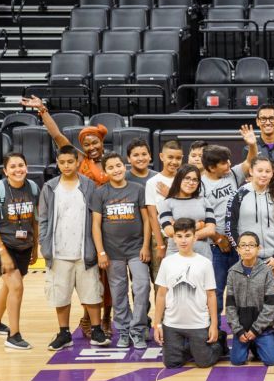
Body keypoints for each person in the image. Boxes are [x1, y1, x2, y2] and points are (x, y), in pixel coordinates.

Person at [39, 145, 107, 349]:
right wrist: (44, 243)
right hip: (58, 252)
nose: (66, 166)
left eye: (70, 161)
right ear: (57, 163)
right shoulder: (50, 187)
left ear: (78, 162)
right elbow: (42, 219)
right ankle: (64, 332)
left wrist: (97, 248)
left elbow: (96, 217)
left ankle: (96, 329)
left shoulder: (88, 185)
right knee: (60, 294)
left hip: (84, 251)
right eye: (62, 162)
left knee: (92, 292)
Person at [91, 152, 152, 350]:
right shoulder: (100, 193)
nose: (116, 170)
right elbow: (96, 225)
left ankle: (138, 329)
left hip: (136, 250)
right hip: (112, 252)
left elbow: (146, 220)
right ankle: (124, 331)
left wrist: (145, 246)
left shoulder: (137, 189)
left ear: (124, 166)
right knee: (118, 292)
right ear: (105, 171)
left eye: (118, 165)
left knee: (142, 287)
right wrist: (101, 252)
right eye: (110, 167)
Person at [0, 152, 39, 350]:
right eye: (13, 167)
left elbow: (34, 220)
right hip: (1, 246)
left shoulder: (33, 188)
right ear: (5, 171)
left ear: (27, 167)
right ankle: (13, 335)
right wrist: (2, 253)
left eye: (21, 165)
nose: (18, 169)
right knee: (16, 287)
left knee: (9, 286)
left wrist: (35, 246)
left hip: (24, 246)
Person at [201, 129, 259, 321]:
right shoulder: (201, 185)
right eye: (223, 162)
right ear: (210, 167)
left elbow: (250, 162)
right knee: (216, 290)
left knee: (242, 289)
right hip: (216, 246)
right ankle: (214, 330)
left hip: (239, 243)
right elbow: (200, 218)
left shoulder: (232, 175)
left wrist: (252, 144)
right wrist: (216, 237)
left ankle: (243, 327)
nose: (228, 164)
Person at [152, 218, 225, 368]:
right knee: (171, 363)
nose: (183, 240)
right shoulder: (167, 262)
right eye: (179, 236)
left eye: (187, 236)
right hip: (172, 324)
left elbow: (211, 295)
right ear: (173, 238)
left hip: (198, 323)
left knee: (204, 362)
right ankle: (191, 347)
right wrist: (157, 324)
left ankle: (220, 342)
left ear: (195, 237)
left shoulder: (204, 263)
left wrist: (214, 325)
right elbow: (161, 294)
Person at [226, 232, 274, 366]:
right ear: (237, 249)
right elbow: (230, 306)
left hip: (262, 328)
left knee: (271, 360)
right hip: (242, 328)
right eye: (243, 245)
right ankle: (252, 345)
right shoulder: (232, 272)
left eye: (251, 245)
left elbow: (271, 305)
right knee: (237, 360)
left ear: (259, 248)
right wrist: (238, 330)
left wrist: (255, 330)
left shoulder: (266, 271)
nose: (247, 249)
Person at [21, 96, 108, 185]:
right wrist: (42, 109)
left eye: (95, 143)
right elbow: (57, 136)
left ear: (101, 142)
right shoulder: (81, 160)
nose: (91, 147)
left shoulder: (113, 160)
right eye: (86, 145)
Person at [224, 156, 274, 271]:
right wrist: (243, 253)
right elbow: (230, 228)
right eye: (260, 171)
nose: (264, 175)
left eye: (268, 171)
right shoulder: (238, 195)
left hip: (273, 259)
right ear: (251, 171)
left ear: (272, 173)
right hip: (247, 258)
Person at [159, 165, 216, 258]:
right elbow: (169, 231)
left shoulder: (204, 201)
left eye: (195, 180)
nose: (191, 182)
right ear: (179, 179)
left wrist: (180, 230)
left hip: (202, 254)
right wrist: (199, 226)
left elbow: (211, 230)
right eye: (187, 178)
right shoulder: (167, 203)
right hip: (176, 254)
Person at [146, 140, 184, 275]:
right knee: (160, 280)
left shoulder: (186, 180)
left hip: (183, 237)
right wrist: (160, 244)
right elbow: (152, 215)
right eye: (170, 157)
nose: (174, 162)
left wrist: (170, 194)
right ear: (161, 157)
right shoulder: (152, 182)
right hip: (160, 236)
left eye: (178, 158)